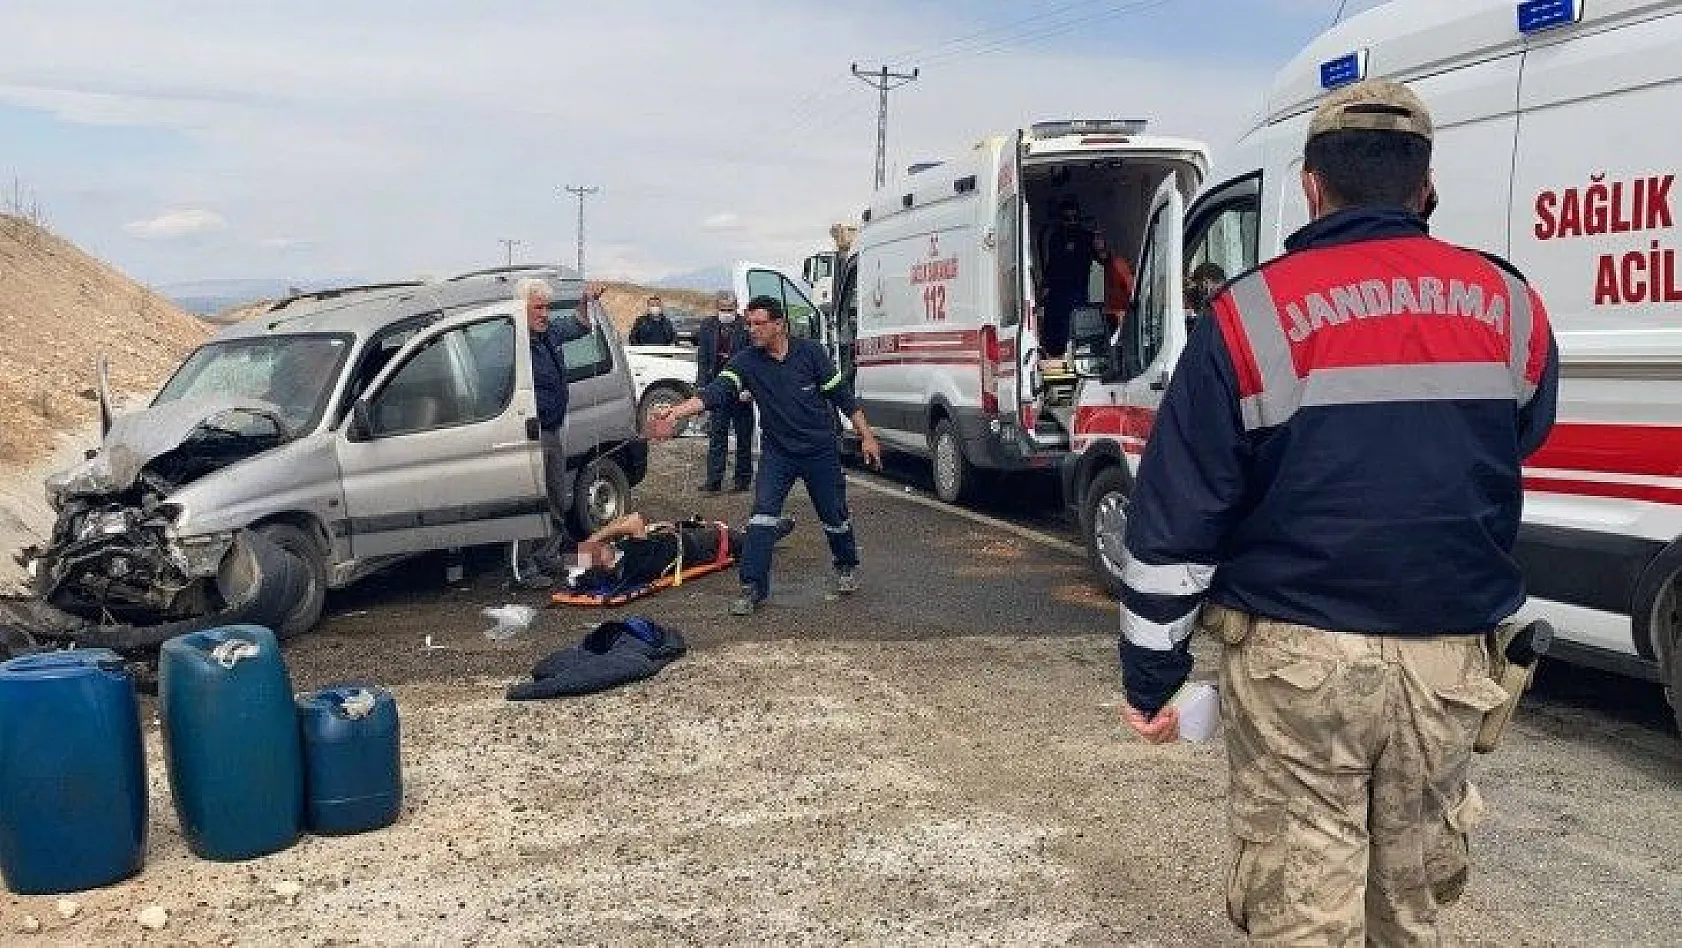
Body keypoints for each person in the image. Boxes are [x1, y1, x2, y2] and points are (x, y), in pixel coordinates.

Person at [1116, 79, 1559, 945]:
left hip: (1296, 664)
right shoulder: (1511, 306)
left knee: (1303, 916)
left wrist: (1152, 677)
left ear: (1312, 186)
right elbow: (1524, 434)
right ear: (1425, 188)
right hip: (1449, 663)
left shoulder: (1247, 315)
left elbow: (1174, 523)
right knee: (1413, 910)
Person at [646, 295, 884, 616]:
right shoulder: (746, 362)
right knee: (762, 516)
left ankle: (845, 566)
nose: (753, 330)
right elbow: (715, 393)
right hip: (778, 453)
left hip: (819, 451)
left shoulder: (811, 354)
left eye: (759, 324)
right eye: (750, 324)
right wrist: (676, 412)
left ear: (779, 325)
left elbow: (842, 396)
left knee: (834, 514)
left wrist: (866, 436)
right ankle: (753, 587)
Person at [550, 511, 796, 596]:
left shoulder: (620, 557)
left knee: (740, 536)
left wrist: (583, 557)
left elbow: (573, 560)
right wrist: (598, 537)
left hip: (684, 539)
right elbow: (633, 520)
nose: (599, 548)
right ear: (605, 565)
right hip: (699, 546)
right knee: (747, 541)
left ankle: (765, 529)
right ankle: (780, 527)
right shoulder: (632, 560)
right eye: (598, 552)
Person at [522, 278, 597, 551]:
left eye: (547, 308)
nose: (544, 314)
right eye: (538, 308)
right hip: (529, 432)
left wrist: (585, 301)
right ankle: (529, 562)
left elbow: (581, 325)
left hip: (552, 428)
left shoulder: (549, 332)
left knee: (555, 493)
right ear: (521, 308)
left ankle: (550, 552)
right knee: (534, 498)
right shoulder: (516, 344)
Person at [696, 290, 755, 493]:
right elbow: (703, 358)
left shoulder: (746, 328)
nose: (726, 313)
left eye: (730, 309)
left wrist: (749, 388)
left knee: (743, 437)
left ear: (736, 308)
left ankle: (742, 480)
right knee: (717, 435)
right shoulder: (707, 326)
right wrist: (703, 387)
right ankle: (714, 480)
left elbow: (753, 360)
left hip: (741, 392)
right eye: (722, 309)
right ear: (716, 308)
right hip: (718, 389)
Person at [1035, 195, 1099, 359]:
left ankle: (1074, 356)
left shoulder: (1087, 237)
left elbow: (1102, 259)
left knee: (1076, 330)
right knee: (1056, 331)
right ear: (1061, 219)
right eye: (1067, 218)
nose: (1071, 221)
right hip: (1058, 294)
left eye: (1074, 217)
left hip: (1078, 292)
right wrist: (1042, 292)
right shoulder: (1056, 237)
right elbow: (1052, 267)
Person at [1093, 232, 1136, 330]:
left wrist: (1125, 313)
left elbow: (1131, 288)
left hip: (1120, 315)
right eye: (1095, 241)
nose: (1097, 243)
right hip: (1103, 315)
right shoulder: (1094, 267)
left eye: (1100, 239)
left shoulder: (1118, 264)